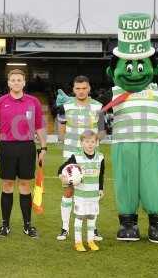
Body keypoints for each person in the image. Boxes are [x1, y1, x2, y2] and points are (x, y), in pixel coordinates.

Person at [0, 69, 46, 238]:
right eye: (13, 80)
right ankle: (5, 225)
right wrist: (5, 138)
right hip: (6, 148)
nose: (16, 82)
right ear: (8, 83)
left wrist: (43, 147)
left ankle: (27, 225)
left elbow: (39, 126)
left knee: (24, 185)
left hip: (27, 147)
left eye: (19, 80)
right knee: (7, 185)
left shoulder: (33, 102)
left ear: (24, 82)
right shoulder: (0, 102)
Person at [56, 76, 104, 241]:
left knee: (92, 192)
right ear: (73, 89)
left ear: (89, 88)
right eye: (78, 88)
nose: (81, 91)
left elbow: (103, 131)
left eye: (84, 88)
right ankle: (64, 228)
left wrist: (92, 143)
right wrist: (67, 145)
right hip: (71, 154)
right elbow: (61, 130)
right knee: (68, 190)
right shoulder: (65, 107)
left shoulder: (98, 107)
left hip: (91, 155)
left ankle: (94, 228)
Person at [58, 130, 105, 251]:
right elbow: (62, 168)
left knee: (91, 218)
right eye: (87, 142)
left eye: (92, 142)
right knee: (79, 218)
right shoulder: (76, 156)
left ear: (97, 143)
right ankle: (78, 242)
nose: (90, 144)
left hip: (93, 195)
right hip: (81, 195)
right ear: (82, 143)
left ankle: (90, 240)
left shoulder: (100, 157)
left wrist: (101, 188)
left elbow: (101, 175)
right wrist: (62, 177)